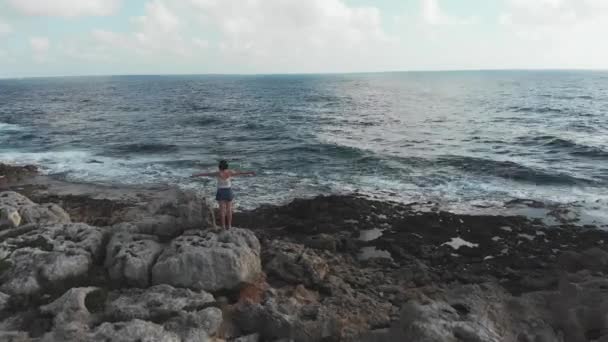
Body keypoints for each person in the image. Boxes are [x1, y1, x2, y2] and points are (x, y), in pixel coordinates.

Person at [191, 160, 255, 229]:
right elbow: (240, 173)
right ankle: (229, 226)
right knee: (229, 210)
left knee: (222, 210)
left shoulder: (218, 173)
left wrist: (195, 175)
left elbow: (207, 174)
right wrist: (250, 172)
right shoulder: (230, 172)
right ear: (226, 166)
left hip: (221, 192)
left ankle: (223, 226)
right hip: (228, 191)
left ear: (220, 166)